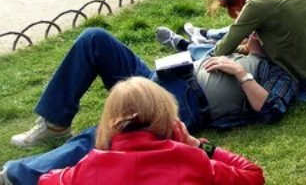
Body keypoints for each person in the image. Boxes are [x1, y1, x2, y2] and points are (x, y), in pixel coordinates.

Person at [3, 25, 296, 184]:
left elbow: (270, 110)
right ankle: (55, 122)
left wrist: (240, 72)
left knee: (113, 133)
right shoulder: (238, 44)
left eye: (260, 31)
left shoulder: (278, 71)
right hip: (162, 77)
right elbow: (198, 40)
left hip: (185, 103)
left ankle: (20, 174)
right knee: (95, 39)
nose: (252, 33)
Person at [32, 76, 265, 185]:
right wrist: (197, 145)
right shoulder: (191, 160)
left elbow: (46, 180)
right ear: (167, 116)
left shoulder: (89, 167)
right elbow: (253, 175)